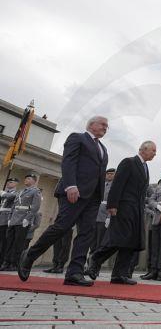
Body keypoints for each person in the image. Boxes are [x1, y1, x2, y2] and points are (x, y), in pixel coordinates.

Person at [18, 116, 109, 286]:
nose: (106, 127)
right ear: (91, 125)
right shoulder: (77, 137)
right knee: (62, 227)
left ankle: (75, 273)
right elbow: (68, 161)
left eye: (107, 125)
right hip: (74, 192)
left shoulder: (103, 148)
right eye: (103, 124)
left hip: (93, 197)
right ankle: (30, 255)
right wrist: (70, 186)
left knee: (86, 233)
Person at [87, 141, 156, 285]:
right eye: (153, 151)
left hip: (137, 209)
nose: (155, 153)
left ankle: (119, 274)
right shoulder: (129, 162)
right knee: (119, 238)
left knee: (131, 242)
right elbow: (118, 184)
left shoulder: (145, 167)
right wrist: (112, 205)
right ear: (143, 149)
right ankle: (96, 258)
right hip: (124, 208)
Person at [4, 174, 42, 270]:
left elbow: (35, 206)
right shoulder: (20, 192)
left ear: (34, 181)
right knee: (9, 242)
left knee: (18, 244)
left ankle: (14, 264)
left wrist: (27, 218)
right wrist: (9, 218)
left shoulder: (35, 191)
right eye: (25, 178)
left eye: (28, 178)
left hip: (23, 220)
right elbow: (14, 205)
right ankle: (6, 262)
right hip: (13, 220)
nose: (26, 180)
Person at [0, 178, 19, 270]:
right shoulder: (4, 193)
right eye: (7, 181)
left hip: (5, 220)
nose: (8, 183)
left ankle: (2, 262)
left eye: (11, 182)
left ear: (16, 184)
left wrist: (3, 193)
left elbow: (9, 197)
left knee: (3, 243)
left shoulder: (16, 193)